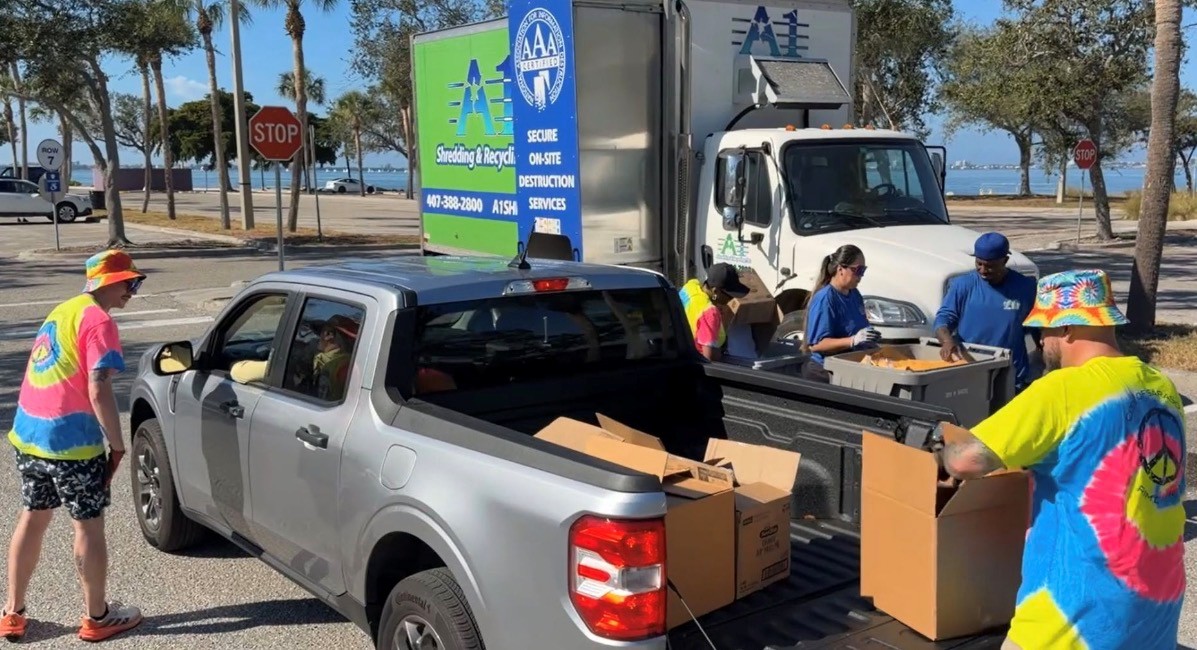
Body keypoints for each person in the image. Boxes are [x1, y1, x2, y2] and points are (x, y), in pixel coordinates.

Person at [936, 269, 1186, 650]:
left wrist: (943, 444)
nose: (1040, 341)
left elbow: (966, 461)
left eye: (1044, 331)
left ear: (1067, 329)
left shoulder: (1064, 389)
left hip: (1073, 617)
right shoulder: (1160, 386)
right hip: (1156, 607)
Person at [2, 250, 145, 642]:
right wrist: (116, 445)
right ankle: (97, 617)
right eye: (129, 283)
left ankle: (13, 611)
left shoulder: (62, 310)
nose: (132, 291)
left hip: (30, 434)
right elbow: (98, 388)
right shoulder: (99, 321)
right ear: (107, 283)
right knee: (88, 526)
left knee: (33, 516)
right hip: (72, 444)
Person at [934, 232, 1039, 390]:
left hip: (1011, 373)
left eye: (990, 266)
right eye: (979, 263)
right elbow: (944, 319)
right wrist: (947, 341)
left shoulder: (1025, 287)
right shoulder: (963, 285)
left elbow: (1037, 324)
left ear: (1005, 260)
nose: (983, 270)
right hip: (972, 368)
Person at [801, 244, 880, 382]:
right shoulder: (825, 298)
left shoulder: (855, 294)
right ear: (840, 269)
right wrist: (853, 341)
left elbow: (859, 328)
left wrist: (869, 339)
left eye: (863, 270)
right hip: (825, 372)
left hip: (849, 367)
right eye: (858, 270)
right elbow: (816, 345)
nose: (861, 276)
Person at [678, 263, 750, 361]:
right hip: (696, 362)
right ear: (715, 292)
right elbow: (709, 359)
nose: (732, 299)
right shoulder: (709, 312)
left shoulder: (690, 287)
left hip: (681, 354)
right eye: (730, 295)